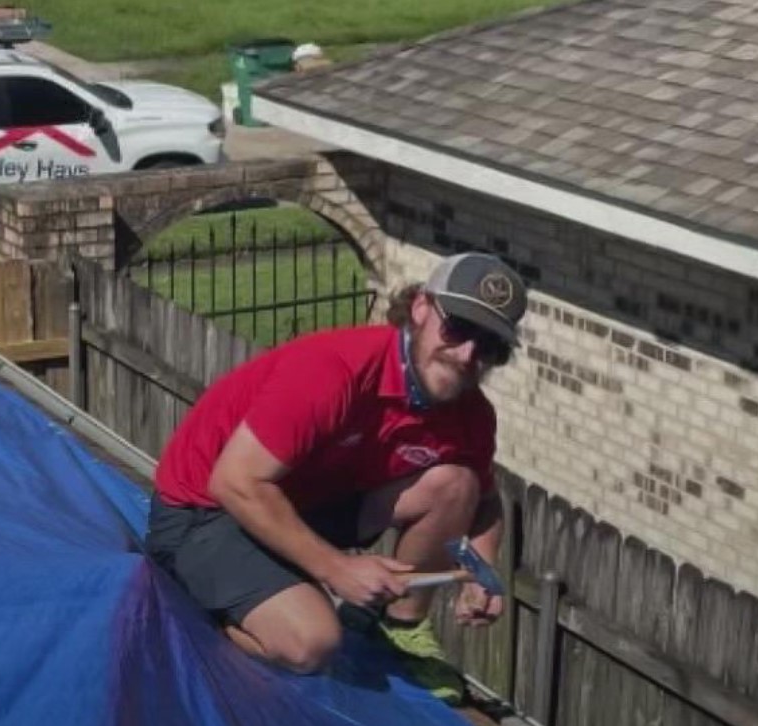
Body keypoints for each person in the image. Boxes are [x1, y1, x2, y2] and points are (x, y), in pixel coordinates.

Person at [144, 252, 526, 703]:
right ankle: (206, 617)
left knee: (455, 483)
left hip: (305, 502)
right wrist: (336, 569)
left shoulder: (471, 415)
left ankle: (402, 629)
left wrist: (482, 575)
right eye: (458, 328)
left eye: (490, 347)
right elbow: (234, 482)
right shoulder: (334, 370)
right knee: (313, 645)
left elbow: (482, 500)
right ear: (421, 308)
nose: (467, 355)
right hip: (206, 513)